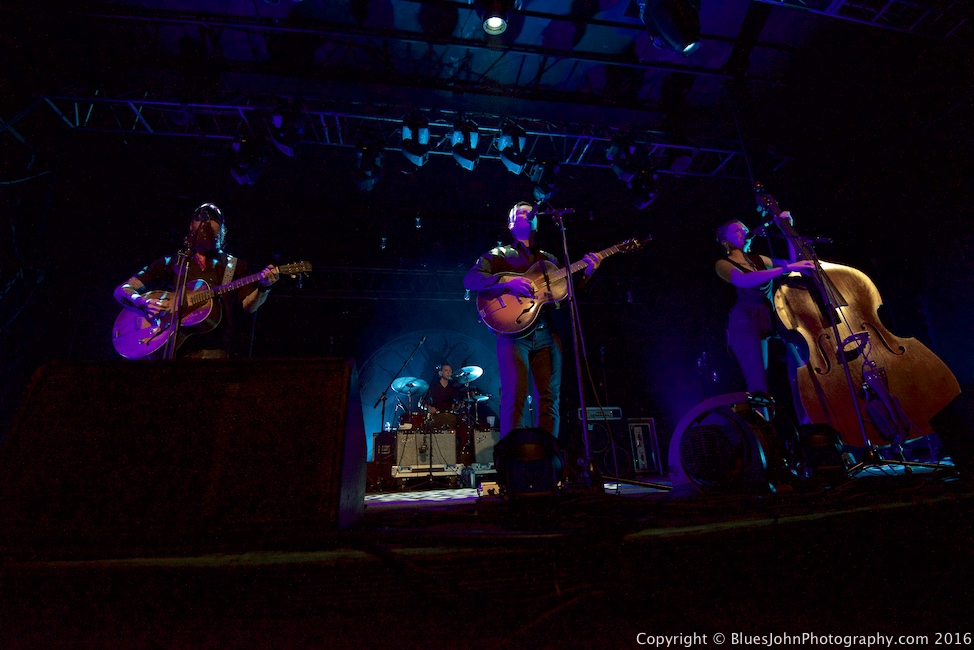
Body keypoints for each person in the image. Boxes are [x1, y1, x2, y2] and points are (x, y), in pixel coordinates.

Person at [463, 201, 601, 441]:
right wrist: (507, 282)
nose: (528, 213)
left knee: (549, 400)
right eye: (520, 211)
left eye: (531, 212)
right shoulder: (499, 255)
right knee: (514, 397)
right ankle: (512, 463)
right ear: (510, 223)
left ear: (537, 221)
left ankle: (548, 461)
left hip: (546, 333)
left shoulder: (549, 260)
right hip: (512, 337)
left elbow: (569, 296)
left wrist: (588, 273)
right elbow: (470, 279)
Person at [113, 202, 279, 359]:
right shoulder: (172, 261)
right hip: (172, 353)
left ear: (222, 230)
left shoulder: (234, 265)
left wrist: (264, 287)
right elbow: (122, 290)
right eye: (199, 218)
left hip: (216, 353)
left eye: (213, 219)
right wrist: (142, 302)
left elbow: (249, 306)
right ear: (191, 226)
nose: (206, 221)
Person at [714, 211, 814, 420]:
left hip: (773, 321)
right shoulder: (722, 264)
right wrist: (783, 269)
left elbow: (791, 265)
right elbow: (744, 281)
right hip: (745, 324)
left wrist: (785, 228)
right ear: (725, 240)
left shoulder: (761, 260)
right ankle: (765, 439)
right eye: (736, 230)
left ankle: (809, 428)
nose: (743, 231)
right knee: (758, 386)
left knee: (802, 374)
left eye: (744, 228)